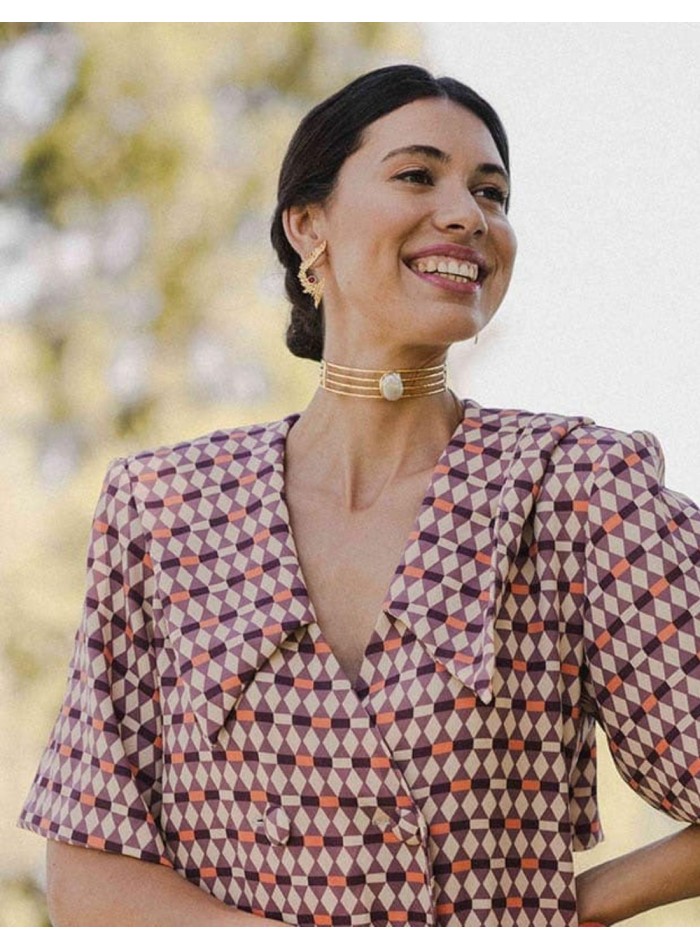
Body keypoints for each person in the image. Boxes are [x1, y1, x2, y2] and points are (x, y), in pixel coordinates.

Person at [18, 64, 700, 927]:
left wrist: (566, 910)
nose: (467, 214)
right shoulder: (163, 509)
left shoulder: (572, 486)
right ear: (309, 225)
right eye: (418, 175)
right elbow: (87, 872)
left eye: (491, 192)